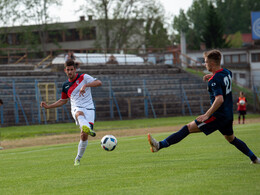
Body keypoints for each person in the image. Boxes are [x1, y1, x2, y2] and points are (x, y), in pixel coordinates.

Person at [148, 49, 260, 164]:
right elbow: (221, 78)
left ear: (211, 63)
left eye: (206, 62)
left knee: (188, 128)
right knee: (231, 139)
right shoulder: (227, 72)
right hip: (228, 115)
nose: (204, 64)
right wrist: (211, 75)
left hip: (217, 116)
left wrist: (207, 114)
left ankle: (159, 145)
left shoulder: (214, 80)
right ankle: (254, 158)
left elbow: (219, 99)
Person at [40, 59, 102, 166]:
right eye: (68, 70)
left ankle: (78, 158)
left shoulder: (84, 77)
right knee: (79, 114)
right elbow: (63, 101)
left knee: (83, 135)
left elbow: (98, 82)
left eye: (71, 69)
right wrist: (49, 106)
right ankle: (87, 128)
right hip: (76, 108)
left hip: (89, 108)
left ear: (75, 69)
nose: (70, 72)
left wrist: (85, 86)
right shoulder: (65, 86)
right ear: (65, 70)